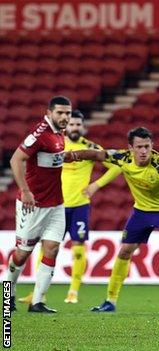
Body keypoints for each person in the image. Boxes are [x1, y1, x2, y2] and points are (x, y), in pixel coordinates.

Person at [86, 127, 159, 313]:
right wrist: (73, 156)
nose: (143, 151)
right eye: (139, 147)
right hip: (142, 211)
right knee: (124, 251)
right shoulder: (122, 158)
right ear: (131, 148)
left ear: (152, 146)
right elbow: (98, 155)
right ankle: (110, 301)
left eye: (147, 146)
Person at [18, 109, 123, 305]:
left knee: (78, 249)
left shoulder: (91, 148)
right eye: (71, 124)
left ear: (83, 127)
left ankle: (73, 291)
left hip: (79, 207)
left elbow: (117, 166)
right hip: (56, 205)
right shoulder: (55, 145)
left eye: (78, 125)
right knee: (46, 248)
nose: (74, 127)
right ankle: (38, 294)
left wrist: (95, 185)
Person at [6, 96, 99, 313]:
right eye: (60, 113)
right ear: (49, 113)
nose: (65, 117)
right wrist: (26, 191)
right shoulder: (39, 134)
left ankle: (37, 301)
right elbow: (15, 159)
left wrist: (71, 156)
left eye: (68, 113)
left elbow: (51, 159)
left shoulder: (59, 134)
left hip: (56, 204)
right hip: (33, 205)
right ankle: (8, 293)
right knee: (23, 253)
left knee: (52, 248)